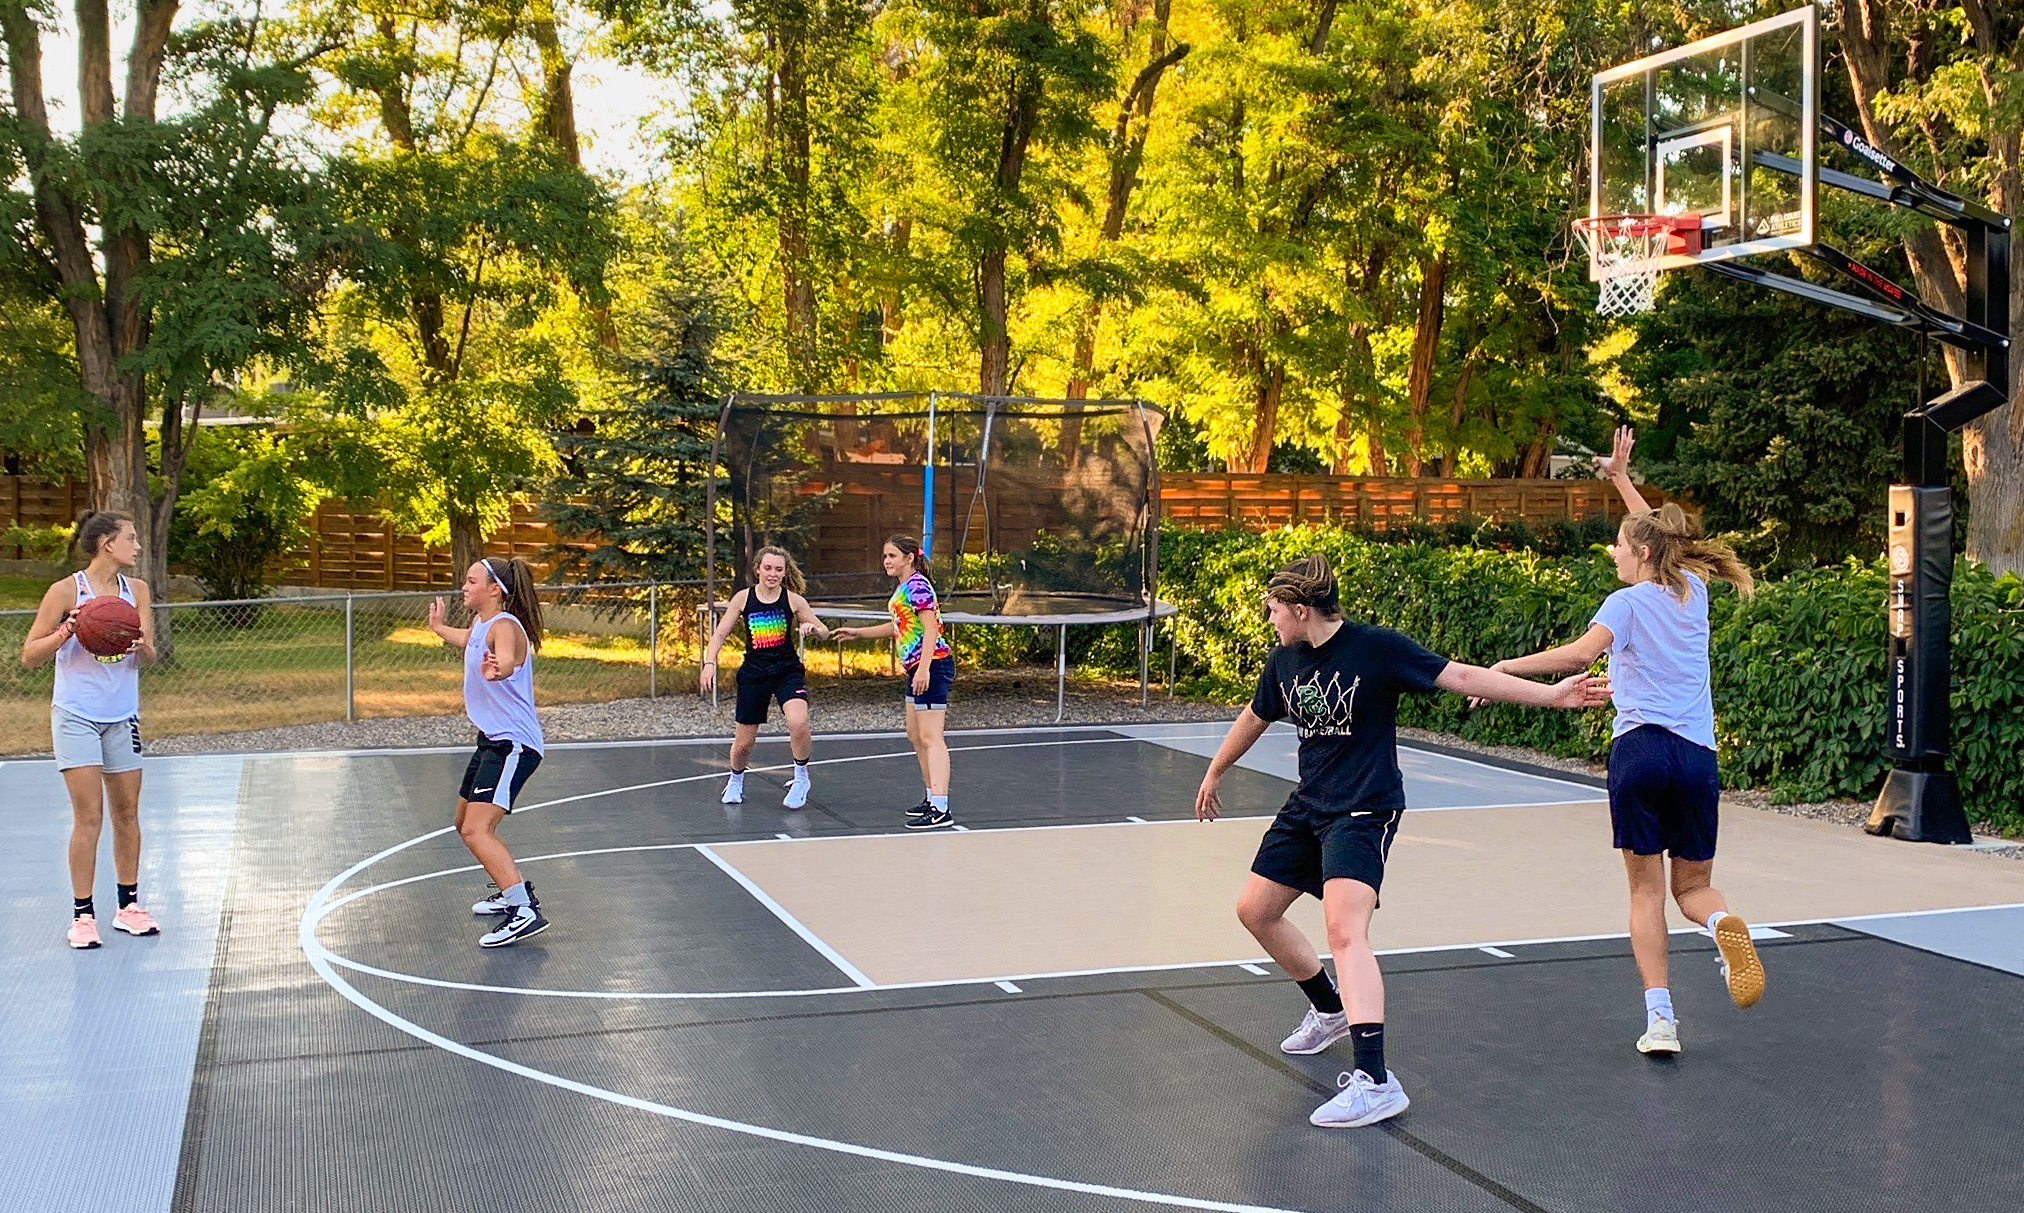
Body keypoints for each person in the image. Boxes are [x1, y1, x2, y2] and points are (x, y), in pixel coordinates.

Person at [1195, 553, 1610, 1128]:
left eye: (1273, 612)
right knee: (1255, 910)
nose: (1270, 621)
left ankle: (1375, 1081)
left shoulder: (1376, 648)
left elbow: (1461, 675)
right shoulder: (1285, 660)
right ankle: (1329, 1009)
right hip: (1309, 804)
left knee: (1344, 929)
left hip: (1363, 807)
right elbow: (1254, 715)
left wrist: (1551, 696)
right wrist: (1216, 770)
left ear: (1299, 608)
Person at [1482, 426, 1763, 1055]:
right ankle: (1722, 926)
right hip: (1695, 757)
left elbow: (1578, 655)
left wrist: (1504, 669)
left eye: (1617, 544)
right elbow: (1659, 539)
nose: (1612, 552)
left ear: (1638, 555)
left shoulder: (1626, 603)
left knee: (1644, 891)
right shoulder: (1694, 595)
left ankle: (1661, 1019)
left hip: (1640, 753)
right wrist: (1619, 480)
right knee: (1692, 889)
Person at [20, 512, 161, 950]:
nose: (137, 546)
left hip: (123, 716)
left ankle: (129, 907)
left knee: (127, 815)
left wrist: (141, 646)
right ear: (106, 544)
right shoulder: (65, 591)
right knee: (89, 817)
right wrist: (70, 628)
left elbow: (150, 658)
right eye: (131, 538)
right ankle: (83, 915)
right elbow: (30, 656)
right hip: (76, 715)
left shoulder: (136, 591)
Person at [428, 556, 550, 948]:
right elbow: (468, 640)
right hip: (491, 740)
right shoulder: (481, 624)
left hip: (513, 743)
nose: (463, 587)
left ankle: (523, 909)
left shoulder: (505, 626)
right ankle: (508, 889)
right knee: (464, 822)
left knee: (477, 830)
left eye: (470, 581)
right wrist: (438, 628)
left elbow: (510, 658)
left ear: (494, 589)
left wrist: (503, 669)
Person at [830, 535, 955, 829]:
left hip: (932, 665)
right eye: (884, 556)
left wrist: (924, 668)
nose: (887, 561)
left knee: (931, 737)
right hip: (916, 667)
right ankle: (930, 795)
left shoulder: (919, 585)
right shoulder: (904, 588)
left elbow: (931, 628)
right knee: (914, 734)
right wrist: (860, 633)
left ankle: (941, 807)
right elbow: (900, 626)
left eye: (892, 555)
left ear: (909, 558)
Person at [702, 546, 831, 809]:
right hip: (754, 674)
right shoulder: (743, 598)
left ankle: (801, 778)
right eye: (768, 568)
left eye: (779, 570)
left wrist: (813, 629)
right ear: (758, 569)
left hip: (787, 671)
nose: (773, 574)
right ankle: (736, 780)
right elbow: (719, 634)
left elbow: (824, 630)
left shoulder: (793, 600)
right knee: (743, 744)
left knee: (798, 722)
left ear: (785, 573)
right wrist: (708, 663)